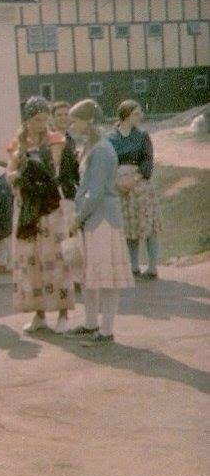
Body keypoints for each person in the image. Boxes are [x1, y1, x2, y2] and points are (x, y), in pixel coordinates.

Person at [67, 99, 134, 346]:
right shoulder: (91, 147)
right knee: (90, 274)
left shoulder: (103, 150)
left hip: (102, 219)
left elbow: (95, 192)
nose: (72, 124)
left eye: (75, 120)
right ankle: (90, 323)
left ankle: (106, 331)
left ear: (89, 121)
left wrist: (78, 218)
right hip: (93, 220)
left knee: (105, 276)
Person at [7, 96, 75, 334]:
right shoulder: (18, 143)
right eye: (37, 119)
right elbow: (10, 173)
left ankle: (63, 314)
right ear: (27, 120)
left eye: (45, 119)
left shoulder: (55, 139)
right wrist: (16, 176)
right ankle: (39, 315)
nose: (42, 124)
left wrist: (24, 172)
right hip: (28, 207)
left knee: (55, 260)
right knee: (31, 261)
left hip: (49, 207)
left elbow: (52, 172)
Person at [107, 100, 161, 280]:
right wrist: (118, 181)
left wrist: (134, 178)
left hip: (141, 186)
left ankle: (153, 267)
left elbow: (148, 160)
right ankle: (134, 266)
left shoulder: (143, 135)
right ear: (126, 115)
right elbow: (107, 163)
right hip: (121, 187)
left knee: (148, 226)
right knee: (130, 228)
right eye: (137, 114)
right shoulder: (111, 138)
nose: (141, 117)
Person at [50, 100, 82, 287]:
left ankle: (73, 277)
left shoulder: (69, 138)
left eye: (65, 114)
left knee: (70, 235)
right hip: (57, 193)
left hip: (71, 191)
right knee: (60, 236)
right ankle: (63, 278)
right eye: (59, 115)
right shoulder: (51, 139)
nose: (63, 118)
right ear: (52, 118)